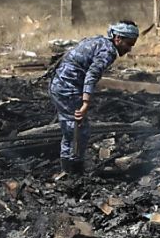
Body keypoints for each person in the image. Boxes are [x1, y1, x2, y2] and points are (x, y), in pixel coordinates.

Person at [49, 20, 139, 174]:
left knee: (70, 128)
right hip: (68, 89)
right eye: (129, 43)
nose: (129, 48)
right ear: (118, 38)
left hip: (59, 85)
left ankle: (67, 169)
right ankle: (74, 171)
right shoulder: (108, 51)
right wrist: (85, 103)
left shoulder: (98, 41)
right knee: (79, 130)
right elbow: (92, 75)